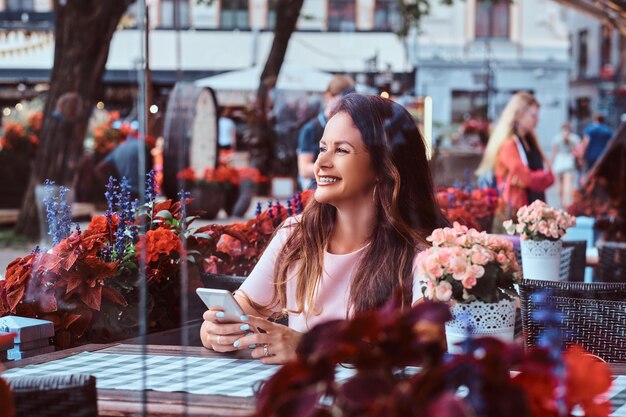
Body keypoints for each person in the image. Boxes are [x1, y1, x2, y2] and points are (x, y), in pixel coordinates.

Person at [201, 94, 447, 364]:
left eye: (341, 150)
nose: (321, 164)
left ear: (383, 167)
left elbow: (424, 344)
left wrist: (311, 347)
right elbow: (243, 309)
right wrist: (215, 333)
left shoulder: (424, 250)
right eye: (322, 148)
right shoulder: (296, 236)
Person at [476, 92, 554, 229]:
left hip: (528, 212)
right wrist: (542, 177)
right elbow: (530, 178)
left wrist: (539, 178)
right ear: (519, 114)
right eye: (533, 115)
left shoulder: (530, 141)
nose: (537, 120)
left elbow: (544, 176)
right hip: (514, 215)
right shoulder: (509, 145)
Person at [297, 74, 355, 190]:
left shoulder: (351, 126)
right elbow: (304, 169)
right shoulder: (310, 129)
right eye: (343, 97)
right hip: (318, 189)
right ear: (329, 96)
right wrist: (337, 168)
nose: (348, 102)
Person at [551, 122, 580, 208]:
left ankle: (561, 202)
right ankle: (566, 202)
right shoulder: (575, 138)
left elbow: (554, 152)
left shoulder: (556, 138)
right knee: (567, 185)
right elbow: (577, 151)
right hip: (568, 161)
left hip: (559, 161)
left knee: (559, 185)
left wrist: (552, 163)